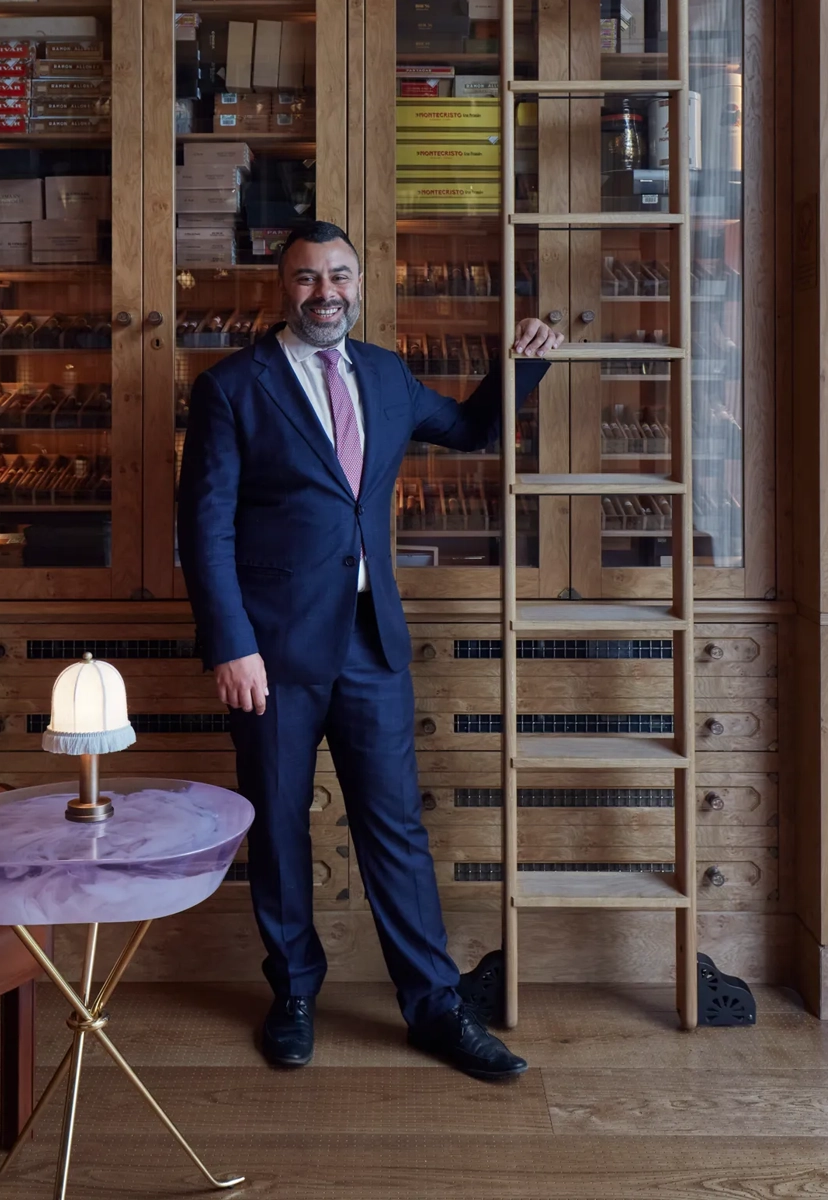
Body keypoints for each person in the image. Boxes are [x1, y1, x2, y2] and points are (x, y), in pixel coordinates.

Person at [177, 220, 561, 1081]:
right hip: (270, 654)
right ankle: (295, 995)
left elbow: (468, 431)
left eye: (339, 277)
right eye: (308, 278)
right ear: (283, 286)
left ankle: (433, 1009)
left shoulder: (384, 374)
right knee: (277, 828)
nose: (326, 293)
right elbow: (202, 527)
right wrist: (230, 645)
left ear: (360, 282)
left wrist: (522, 366)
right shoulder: (234, 387)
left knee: (396, 829)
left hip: (371, 642)